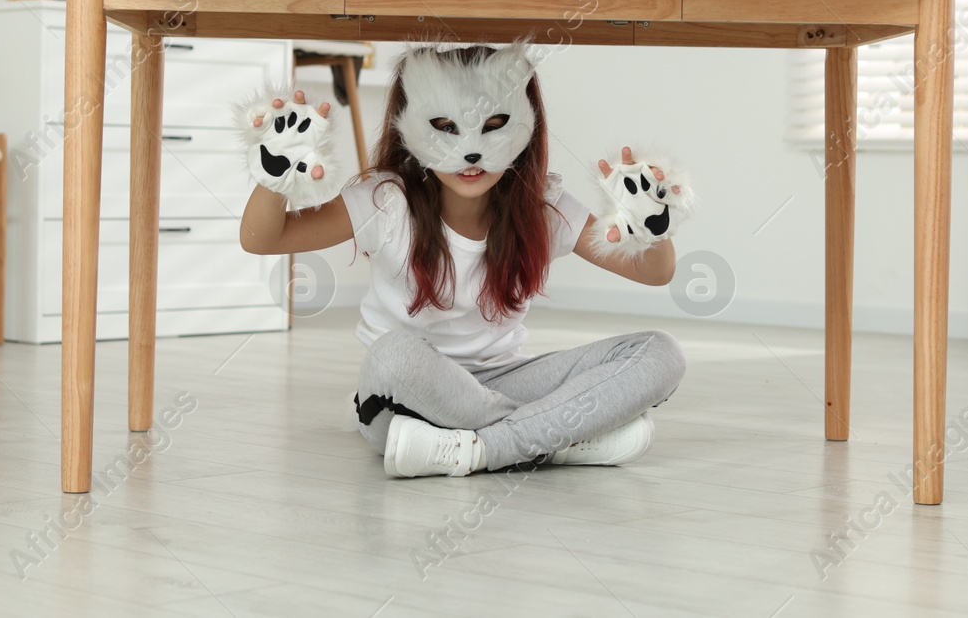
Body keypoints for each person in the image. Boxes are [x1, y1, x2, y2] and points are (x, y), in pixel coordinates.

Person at [238, 41, 690, 478]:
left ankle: (482, 449)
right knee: (393, 355)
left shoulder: (541, 206)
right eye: (445, 127)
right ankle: (553, 438)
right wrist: (276, 176)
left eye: (494, 125)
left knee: (660, 352)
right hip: (405, 394)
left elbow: (655, 272)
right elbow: (262, 239)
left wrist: (649, 225)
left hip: (502, 381)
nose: (469, 153)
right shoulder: (386, 199)